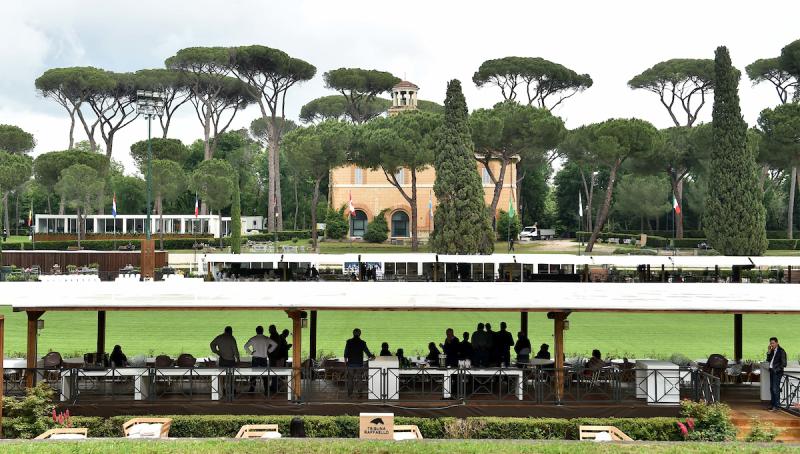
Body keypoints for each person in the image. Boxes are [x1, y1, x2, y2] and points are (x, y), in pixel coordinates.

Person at [244, 326, 278, 394]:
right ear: (262, 331)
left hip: (255, 358)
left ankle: (252, 389)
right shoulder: (266, 338)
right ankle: (266, 390)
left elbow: (245, 346)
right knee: (265, 375)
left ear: (256, 331)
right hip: (263, 358)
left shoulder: (253, 338)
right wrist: (269, 351)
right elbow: (275, 344)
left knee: (253, 375)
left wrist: (251, 352)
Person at [343, 328, 374, 396]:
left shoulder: (349, 342)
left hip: (350, 364)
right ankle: (360, 393)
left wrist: (346, 362)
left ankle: (350, 393)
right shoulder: (362, 343)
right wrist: (372, 356)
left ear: (353, 333)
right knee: (359, 379)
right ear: (360, 334)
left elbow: (345, 353)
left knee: (350, 379)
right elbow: (368, 353)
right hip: (359, 364)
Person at [767, 337, 787, 411]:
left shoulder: (781, 351)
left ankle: (777, 406)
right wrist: (769, 352)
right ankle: (773, 405)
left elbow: (784, 364)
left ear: (777, 343)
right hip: (772, 371)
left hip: (777, 372)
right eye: (770, 343)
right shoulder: (772, 351)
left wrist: (776, 370)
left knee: (775, 389)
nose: (771, 345)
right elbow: (768, 360)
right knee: (772, 388)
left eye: (773, 343)